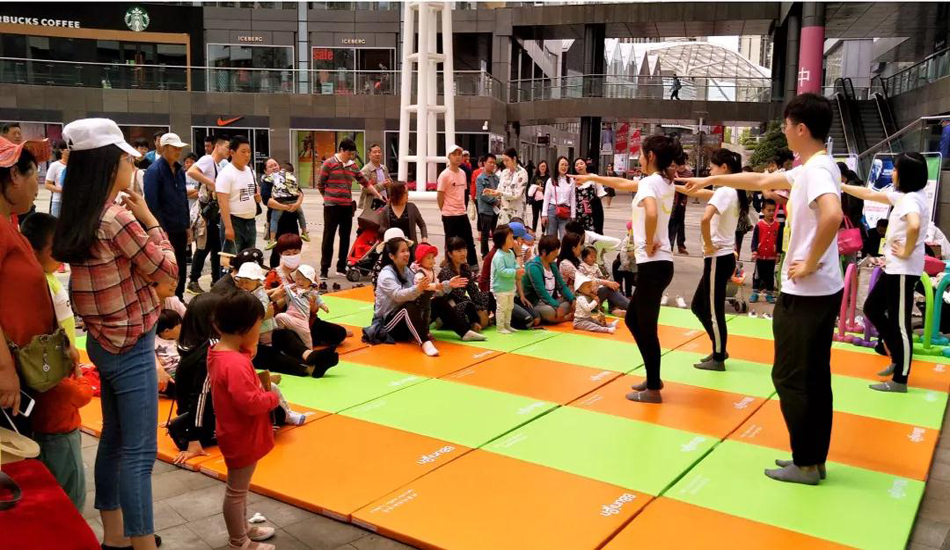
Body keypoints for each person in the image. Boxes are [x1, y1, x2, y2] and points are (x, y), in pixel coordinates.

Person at [682, 93, 844, 486]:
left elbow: (833, 215)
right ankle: (812, 458)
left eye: (786, 126)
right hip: (821, 291)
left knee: (789, 377)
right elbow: (759, 180)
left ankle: (806, 463)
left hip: (806, 294)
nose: (784, 132)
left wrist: (810, 261)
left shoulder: (816, 171)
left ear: (801, 129)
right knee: (814, 377)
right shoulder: (815, 167)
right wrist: (712, 179)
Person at [53, 118, 177, 549]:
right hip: (131, 344)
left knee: (114, 439)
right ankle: (141, 543)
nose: (132, 165)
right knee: (139, 454)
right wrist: (150, 218)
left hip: (102, 343)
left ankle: (115, 537)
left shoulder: (76, 213)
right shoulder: (118, 218)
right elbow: (167, 270)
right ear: (109, 165)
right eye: (126, 158)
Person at [841, 153, 930, 392]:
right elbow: (870, 194)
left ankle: (900, 378)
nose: (893, 172)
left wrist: (906, 250)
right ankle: (897, 357)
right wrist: (841, 186)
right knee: (872, 308)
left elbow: (914, 225)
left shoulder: (911, 200)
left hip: (903, 270)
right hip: (894, 268)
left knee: (901, 324)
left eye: (896, 169)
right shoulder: (906, 196)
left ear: (906, 174)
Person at [20, 212, 91, 511]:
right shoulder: (36, 282)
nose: (61, 253)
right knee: (67, 481)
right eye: (54, 248)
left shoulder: (47, 278)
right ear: (34, 250)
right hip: (53, 379)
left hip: (62, 368)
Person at [206, 291, 278, 550]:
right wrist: (273, 397)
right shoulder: (234, 363)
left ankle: (243, 528)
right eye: (259, 325)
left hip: (236, 432)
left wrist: (248, 352)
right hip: (241, 434)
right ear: (245, 328)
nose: (260, 331)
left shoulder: (221, 352)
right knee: (236, 491)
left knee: (240, 488)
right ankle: (239, 541)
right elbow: (249, 403)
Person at [0, 136, 56, 427]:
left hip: (24, 365)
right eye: (35, 173)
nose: (38, 185)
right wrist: (4, 371)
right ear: (14, 175)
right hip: (9, 376)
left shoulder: (9, 222)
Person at [679, 148, 749, 371]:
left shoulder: (725, 191)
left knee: (713, 310)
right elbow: (702, 194)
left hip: (718, 257)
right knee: (699, 306)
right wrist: (674, 186)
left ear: (724, 168)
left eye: (712, 167)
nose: (709, 171)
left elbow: (705, 219)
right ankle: (719, 347)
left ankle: (719, 356)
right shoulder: (732, 191)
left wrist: (708, 244)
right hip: (721, 258)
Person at [264, 234, 350, 349]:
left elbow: (314, 308)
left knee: (340, 333)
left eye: (295, 252)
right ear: (280, 254)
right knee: (285, 338)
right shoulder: (273, 276)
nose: (292, 256)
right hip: (285, 323)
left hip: (307, 320)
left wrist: (312, 300)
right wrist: (286, 296)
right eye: (288, 254)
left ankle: (308, 339)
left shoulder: (308, 273)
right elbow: (269, 310)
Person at [317, 138, 383, 278]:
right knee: (328, 237)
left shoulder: (352, 166)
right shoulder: (329, 163)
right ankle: (324, 269)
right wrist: (327, 198)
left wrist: (378, 195)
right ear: (341, 150)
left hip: (347, 206)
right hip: (331, 207)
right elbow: (320, 184)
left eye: (353, 154)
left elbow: (365, 183)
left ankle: (341, 267)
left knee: (345, 237)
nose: (351, 156)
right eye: (349, 153)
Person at [374, 237, 448, 356]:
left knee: (437, 301)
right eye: (402, 251)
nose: (407, 254)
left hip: (407, 319)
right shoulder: (386, 274)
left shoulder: (407, 271)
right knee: (408, 307)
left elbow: (424, 291)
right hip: (388, 325)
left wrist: (447, 285)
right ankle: (424, 341)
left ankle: (464, 331)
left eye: (407, 250)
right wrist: (419, 288)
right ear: (392, 256)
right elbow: (398, 296)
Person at [171, 292, 221, 465]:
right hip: (205, 425)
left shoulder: (192, 344)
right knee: (272, 401)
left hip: (193, 418)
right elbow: (201, 395)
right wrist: (194, 438)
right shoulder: (212, 348)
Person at [144, 132, 192, 298]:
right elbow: (152, 204)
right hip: (165, 229)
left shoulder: (180, 170)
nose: (178, 151)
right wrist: (160, 229)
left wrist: (187, 226)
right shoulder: (154, 171)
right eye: (174, 148)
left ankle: (179, 297)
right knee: (166, 265)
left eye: (179, 148)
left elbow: (183, 198)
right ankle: (167, 299)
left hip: (180, 227)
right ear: (164, 148)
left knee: (181, 264)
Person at [187, 135, 230, 293]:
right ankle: (193, 280)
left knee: (216, 247)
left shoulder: (218, 165)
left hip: (214, 213)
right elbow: (191, 171)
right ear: (217, 146)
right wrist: (211, 183)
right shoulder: (207, 160)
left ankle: (216, 280)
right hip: (206, 213)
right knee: (203, 247)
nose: (229, 151)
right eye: (227, 147)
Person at [436, 237, 491, 340]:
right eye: (458, 251)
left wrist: (481, 308)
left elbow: (473, 290)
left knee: (488, 295)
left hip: (465, 303)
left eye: (464, 249)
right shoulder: (446, 272)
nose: (463, 253)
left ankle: (483, 319)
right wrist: (476, 310)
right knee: (468, 306)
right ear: (450, 254)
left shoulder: (465, 268)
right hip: (451, 307)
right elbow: (456, 298)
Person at [217, 136, 259, 257]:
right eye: (243, 152)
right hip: (234, 221)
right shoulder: (226, 173)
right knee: (230, 261)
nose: (247, 155)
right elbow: (222, 202)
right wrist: (228, 227)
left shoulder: (250, 171)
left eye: (249, 152)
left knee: (249, 259)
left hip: (250, 221)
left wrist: (257, 198)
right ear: (232, 152)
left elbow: (254, 191)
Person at [438, 143, 478, 266]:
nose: (457, 157)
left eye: (459, 154)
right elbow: (440, 196)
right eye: (454, 154)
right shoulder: (444, 175)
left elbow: (464, 192)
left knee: (468, 241)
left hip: (462, 213)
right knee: (450, 243)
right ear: (449, 157)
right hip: (449, 214)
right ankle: (450, 266)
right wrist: (445, 209)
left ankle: (473, 265)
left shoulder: (463, 173)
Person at [522, 234, 575, 324]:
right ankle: (563, 318)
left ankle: (557, 317)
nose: (556, 255)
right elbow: (542, 293)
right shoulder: (534, 267)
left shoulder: (552, 265)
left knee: (574, 301)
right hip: (536, 303)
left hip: (550, 301)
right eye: (554, 252)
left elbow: (562, 286)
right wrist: (557, 306)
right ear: (544, 252)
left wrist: (572, 300)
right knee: (550, 311)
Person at [274, 264, 323, 349]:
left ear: (310, 282)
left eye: (304, 280)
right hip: (289, 317)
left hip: (303, 321)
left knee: (307, 338)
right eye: (298, 279)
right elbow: (277, 304)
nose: (300, 282)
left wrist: (322, 305)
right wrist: (286, 295)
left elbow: (316, 307)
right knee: (279, 317)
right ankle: (282, 338)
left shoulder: (312, 291)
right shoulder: (290, 287)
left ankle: (309, 351)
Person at [262, 158, 308, 249]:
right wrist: (286, 207)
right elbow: (267, 201)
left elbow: (300, 192)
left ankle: (305, 232)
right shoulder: (267, 182)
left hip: (292, 219)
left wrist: (297, 204)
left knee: (294, 246)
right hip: (278, 223)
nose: (274, 167)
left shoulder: (287, 178)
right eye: (270, 166)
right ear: (265, 171)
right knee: (279, 249)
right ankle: (272, 241)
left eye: (275, 165)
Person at [491, 225, 524, 334]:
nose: (513, 240)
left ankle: (507, 325)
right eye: (510, 238)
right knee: (502, 308)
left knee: (510, 307)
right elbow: (502, 271)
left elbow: (514, 264)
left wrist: (519, 269)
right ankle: (500, 327)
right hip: (501, 288)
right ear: (502, 241)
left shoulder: (510, 253)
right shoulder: (499, 256)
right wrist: (515, 272)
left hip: (510, 287)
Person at [578, 245, 629, 315]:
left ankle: (613, 308)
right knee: (609, 288)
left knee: (612, 286)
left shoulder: (595, 266)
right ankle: (630, 306)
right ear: (584, 258)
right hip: (589, 295)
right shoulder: (582, 267)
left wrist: (609, 283)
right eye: (591, 257)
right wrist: (606, 283)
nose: (594, 259)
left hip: (597, 292)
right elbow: (588, 281)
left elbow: (601, 277)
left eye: (595, 257)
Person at [378, 180, 427, 248]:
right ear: (397, 194)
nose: (408, 194)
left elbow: (422, 225)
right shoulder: (386, 209)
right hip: (393, 249)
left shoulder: (412, 207)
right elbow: (381, 231)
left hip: (411, 248)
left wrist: (424, 240)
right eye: (405, 192)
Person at [750, 199, 779, 303]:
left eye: (773, 210)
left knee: (769, 276)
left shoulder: (777, 226)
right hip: (760, 256)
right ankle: (755, 293)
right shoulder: (759, 225)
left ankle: (769, 294)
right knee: (757, 275)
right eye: (769, 210)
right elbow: (755, 239)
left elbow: (779, 240)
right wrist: (754, 251)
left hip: (771, 256)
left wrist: (778, 253)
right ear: (763, 210)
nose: (771, 213)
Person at [542, 156, 576, 238]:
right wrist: (544, 214)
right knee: (551, 238)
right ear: (557, 166)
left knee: (564, 238)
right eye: (562, 164)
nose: (564, 167)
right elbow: (546, 198)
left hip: (565, 211)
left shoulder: (571, 180)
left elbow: (572, 198)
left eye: (566, 165)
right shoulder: (551, 180)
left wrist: (573, 215)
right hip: (552, 210)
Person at [476, 152, 500, 256]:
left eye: (494, 163)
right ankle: (485, 253)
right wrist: (495, 201)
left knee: (496, 232)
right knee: (485, 233)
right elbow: (482, 195)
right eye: (490, 162)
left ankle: (496, 251)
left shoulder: (496, 178)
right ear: (484, 163)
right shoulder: (480, 178)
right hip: (485, 209)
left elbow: (499, 191)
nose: (492, 165)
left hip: (496, 210)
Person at [573, 157, 606, 234]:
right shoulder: (573, 179)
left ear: (586, 165)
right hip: (578, 212)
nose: (579, 166)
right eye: (577, 165)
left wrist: (591, 203)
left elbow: (601, 193)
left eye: (581, 164)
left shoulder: (593, 177)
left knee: (595, 233)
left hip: (593, 211)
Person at [497, 147, 529, 226]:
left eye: (507, 160)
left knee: (516, 232)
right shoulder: (504, 172)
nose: (505, 163)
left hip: (516, 211)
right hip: (504, 212)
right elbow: (499, 188)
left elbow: (517, 194)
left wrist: (501, 193)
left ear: (514, 159)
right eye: (503, 160)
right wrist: (493, 193)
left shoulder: (522, 173)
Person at [154, 309, 181, 397]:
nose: (182, 326)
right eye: (178, 325)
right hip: (167, 376)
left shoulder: (181, 340)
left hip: (182, 372)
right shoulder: (154, 342)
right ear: (167, 332)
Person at [668, 153, 691, 255]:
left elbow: (688, 187)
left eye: (683, 163)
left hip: (681, 202)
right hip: (671, 202)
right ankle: (670, 246)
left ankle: (681, 245)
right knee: (671, 224)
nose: (681, 166)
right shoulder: (672, 172)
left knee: (681, 224)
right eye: (679, 164)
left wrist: (677, 178)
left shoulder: (689, 174)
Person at [359, 143, 391, 212]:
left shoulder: (384, 168)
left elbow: (389, 182)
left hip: (385, 202)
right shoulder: (365, 170)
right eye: (374, 152)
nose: (377, 154)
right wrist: (382, 185)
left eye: (379, 152)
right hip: (371, 205)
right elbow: (364, 189)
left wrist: (389, 183)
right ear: (369, 155)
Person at [45, 141, 68, 217]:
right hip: (58, 201)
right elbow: (47, 184)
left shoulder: (77, 165)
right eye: (68, 149)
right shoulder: (55, 165)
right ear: (61, 150)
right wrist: (61, 190)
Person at [527, 160, 548, 231]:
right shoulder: (535, 177)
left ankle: (543, 232)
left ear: (546, 167)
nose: (543, 168)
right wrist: (537, 188)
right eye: (541, 166)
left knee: (543, 216)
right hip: (535, 200)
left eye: (544, 166)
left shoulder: (548, 177)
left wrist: (543, 189)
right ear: (538, 167)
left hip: (544, 200)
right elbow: (531, 186)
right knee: (535, 216)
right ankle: (533, 231)